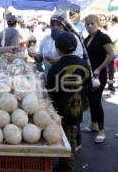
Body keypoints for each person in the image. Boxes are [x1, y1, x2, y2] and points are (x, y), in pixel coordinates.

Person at [46, 31, 90, 172]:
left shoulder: (56, 68)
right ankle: (67, 161)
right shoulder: (83, 64)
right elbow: (88, 85)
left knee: (64, 137)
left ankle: (68, 166)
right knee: (72, 131)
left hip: (61, 108)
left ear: (58, 49)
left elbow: (50, 90)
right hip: (78, 106)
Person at [82, 14, 115, 144]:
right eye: (87, 24)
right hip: (89, 75)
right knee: (91, 100)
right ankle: (93, 125)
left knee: (96, 101)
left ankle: (102, 131)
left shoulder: (103, 37)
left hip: (98, 75)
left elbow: (111, 54)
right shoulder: (87, 38)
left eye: (92, 24)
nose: (89, 26)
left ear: (98, 24)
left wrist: (100, 68)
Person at [29, 11, 84, 78]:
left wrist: (60, 60)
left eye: (59, 24)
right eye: (53, 24)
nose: (55, 27)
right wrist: (36, 57)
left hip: (67, 79)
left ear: (64, 25)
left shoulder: (72, 38)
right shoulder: (46, 39)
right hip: (48, 77)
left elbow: (78, 58)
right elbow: (40, 58)